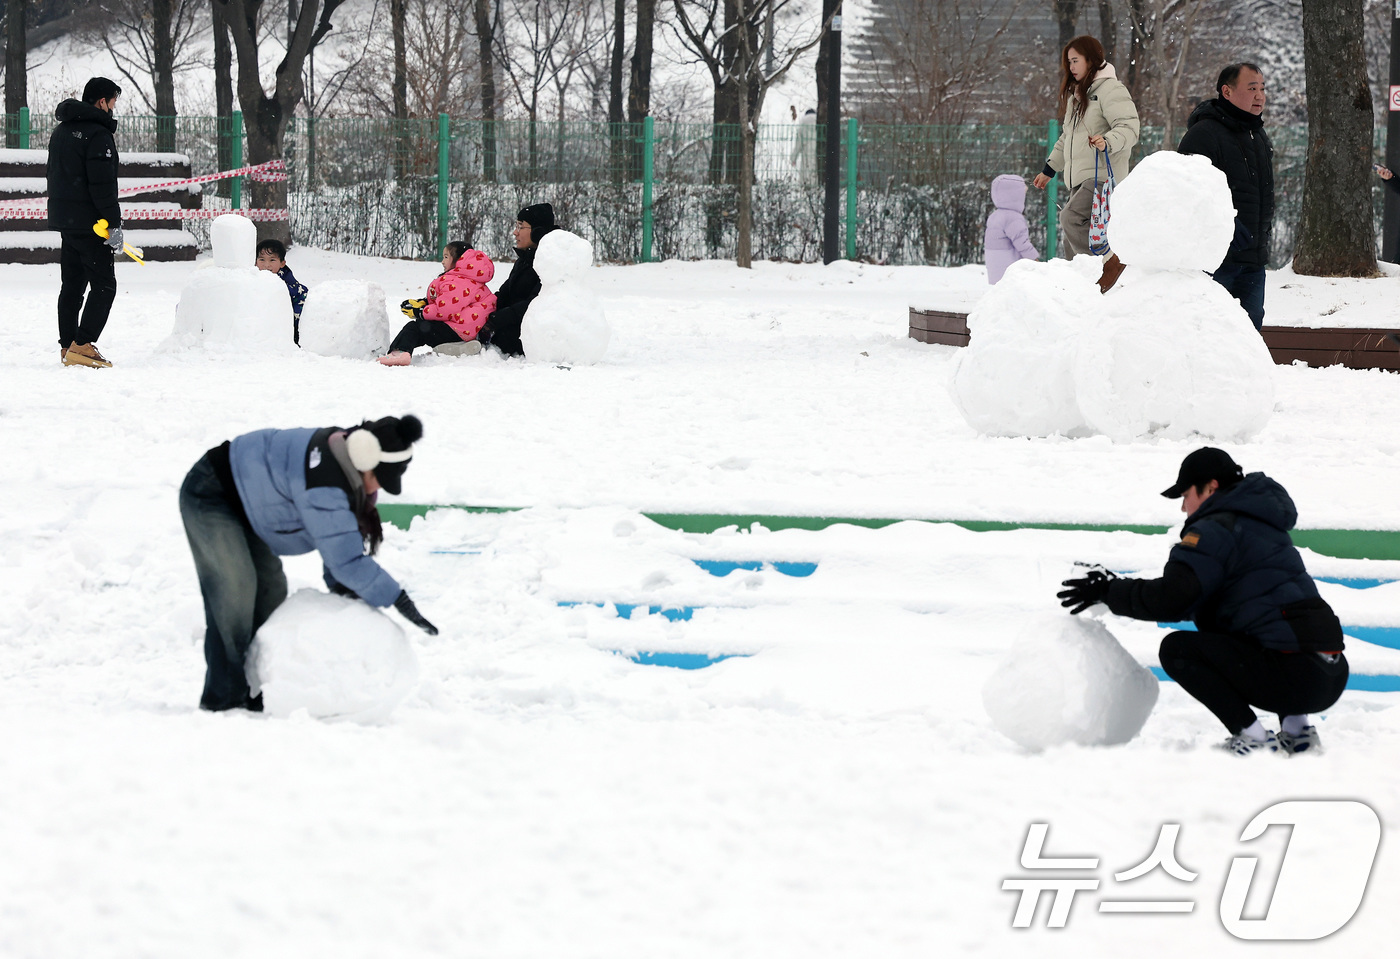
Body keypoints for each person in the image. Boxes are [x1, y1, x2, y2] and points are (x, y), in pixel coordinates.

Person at [1057, 447, 1347, 756]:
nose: (1183, 508)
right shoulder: (1261, 524)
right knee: (1249, 627)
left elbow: (1173, 599)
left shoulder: (1213, 529)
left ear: (1210, 487)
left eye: (1185, 496)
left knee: (1178, 650)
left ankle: (1255, 739)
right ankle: (1297, 732)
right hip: (1330, 674)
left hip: (1292, 676)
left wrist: (1108, 591)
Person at [179, 414, 438, 712]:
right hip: (212, 492)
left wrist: (346, 591)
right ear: (366, 458)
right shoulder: (325, 481)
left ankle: (254, 685)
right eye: (380, 477)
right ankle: (223, 698)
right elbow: (345, 559)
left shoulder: (346, 462)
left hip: (250, 505)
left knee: (270, 590)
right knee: (234, 593)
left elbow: (340, 543)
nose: (377, 488)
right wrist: (397, 597)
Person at [1177, 63, 1274, 331]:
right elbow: (1187, 189)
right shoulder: (1204, 134)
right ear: (1227, 92)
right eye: (1251, 88)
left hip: (1253, 260)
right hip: (1216, 261)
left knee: (1249, 336)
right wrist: (1226, 223)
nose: (1260, 96)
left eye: (1262, 89)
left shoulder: (1257, 134)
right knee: (1210, 333)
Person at [1032, 36, 1140, 260]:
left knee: (1070, 218)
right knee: (1070, 241)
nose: (1071, 68)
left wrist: (1107, 141)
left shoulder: (1111, 89)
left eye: (1075, 61)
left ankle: (1108, 265)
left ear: (1090, 60)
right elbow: (1068, 138)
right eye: (1068, 62)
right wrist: (1049, 170)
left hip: (1101, 177)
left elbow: (1129, 127)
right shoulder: (1078, 96)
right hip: (1080, 180)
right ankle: (1085, 288)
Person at [47, 77, 125, 369]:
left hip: (66, 221)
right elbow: (102, 186)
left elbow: (55, 176)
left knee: (72, 286)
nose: (113, 109)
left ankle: (67, 345)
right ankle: (83, 345)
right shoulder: (98, 135)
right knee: (105, 285)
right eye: (113, 102)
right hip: (92, 224)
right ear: (103, 101)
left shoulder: (61, 131)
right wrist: (113, 225)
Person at [380, 241, 496, 366]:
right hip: (465, 331)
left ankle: (399, 352)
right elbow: (448, 301)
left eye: (446, 257)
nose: (442, 261)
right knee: (427, 329)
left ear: (460, 260)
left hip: (456, 330)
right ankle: (454, 347)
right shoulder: (470, 280)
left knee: (416, 328)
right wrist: (423, 302)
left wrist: (420, 312)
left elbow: (444, 310)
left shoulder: (458, 281)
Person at [477, 203, 557, 357]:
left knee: (501, 337)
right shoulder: (525, 259)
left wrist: (498, 319)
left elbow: (536, 303)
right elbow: (505, 293)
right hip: (514, 324)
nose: (515, 232)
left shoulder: (551, 264)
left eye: (521, 226)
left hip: (534, 333)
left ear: (537, 232)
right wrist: (480, 307)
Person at [984, 174, 1039, 284]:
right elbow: (1021, 242)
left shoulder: (994, 216)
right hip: (1009, 267)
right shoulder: (1013, 218)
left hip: (995, 265)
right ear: (1016, 196)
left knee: (1002, 292)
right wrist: (1034, 259)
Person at [255, 238, 309, 344]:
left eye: (272, 260)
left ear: (282, 263)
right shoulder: (250, 281)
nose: (266, 265)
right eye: (262, 260)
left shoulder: (291, 288)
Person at [790, 106, 817, 184]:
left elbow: (798, 143)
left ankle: (806, 189)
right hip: (818, 151)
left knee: (806, 172)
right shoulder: (820, 120)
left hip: (806, 151)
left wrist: (793, 158)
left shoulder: (803, 122)